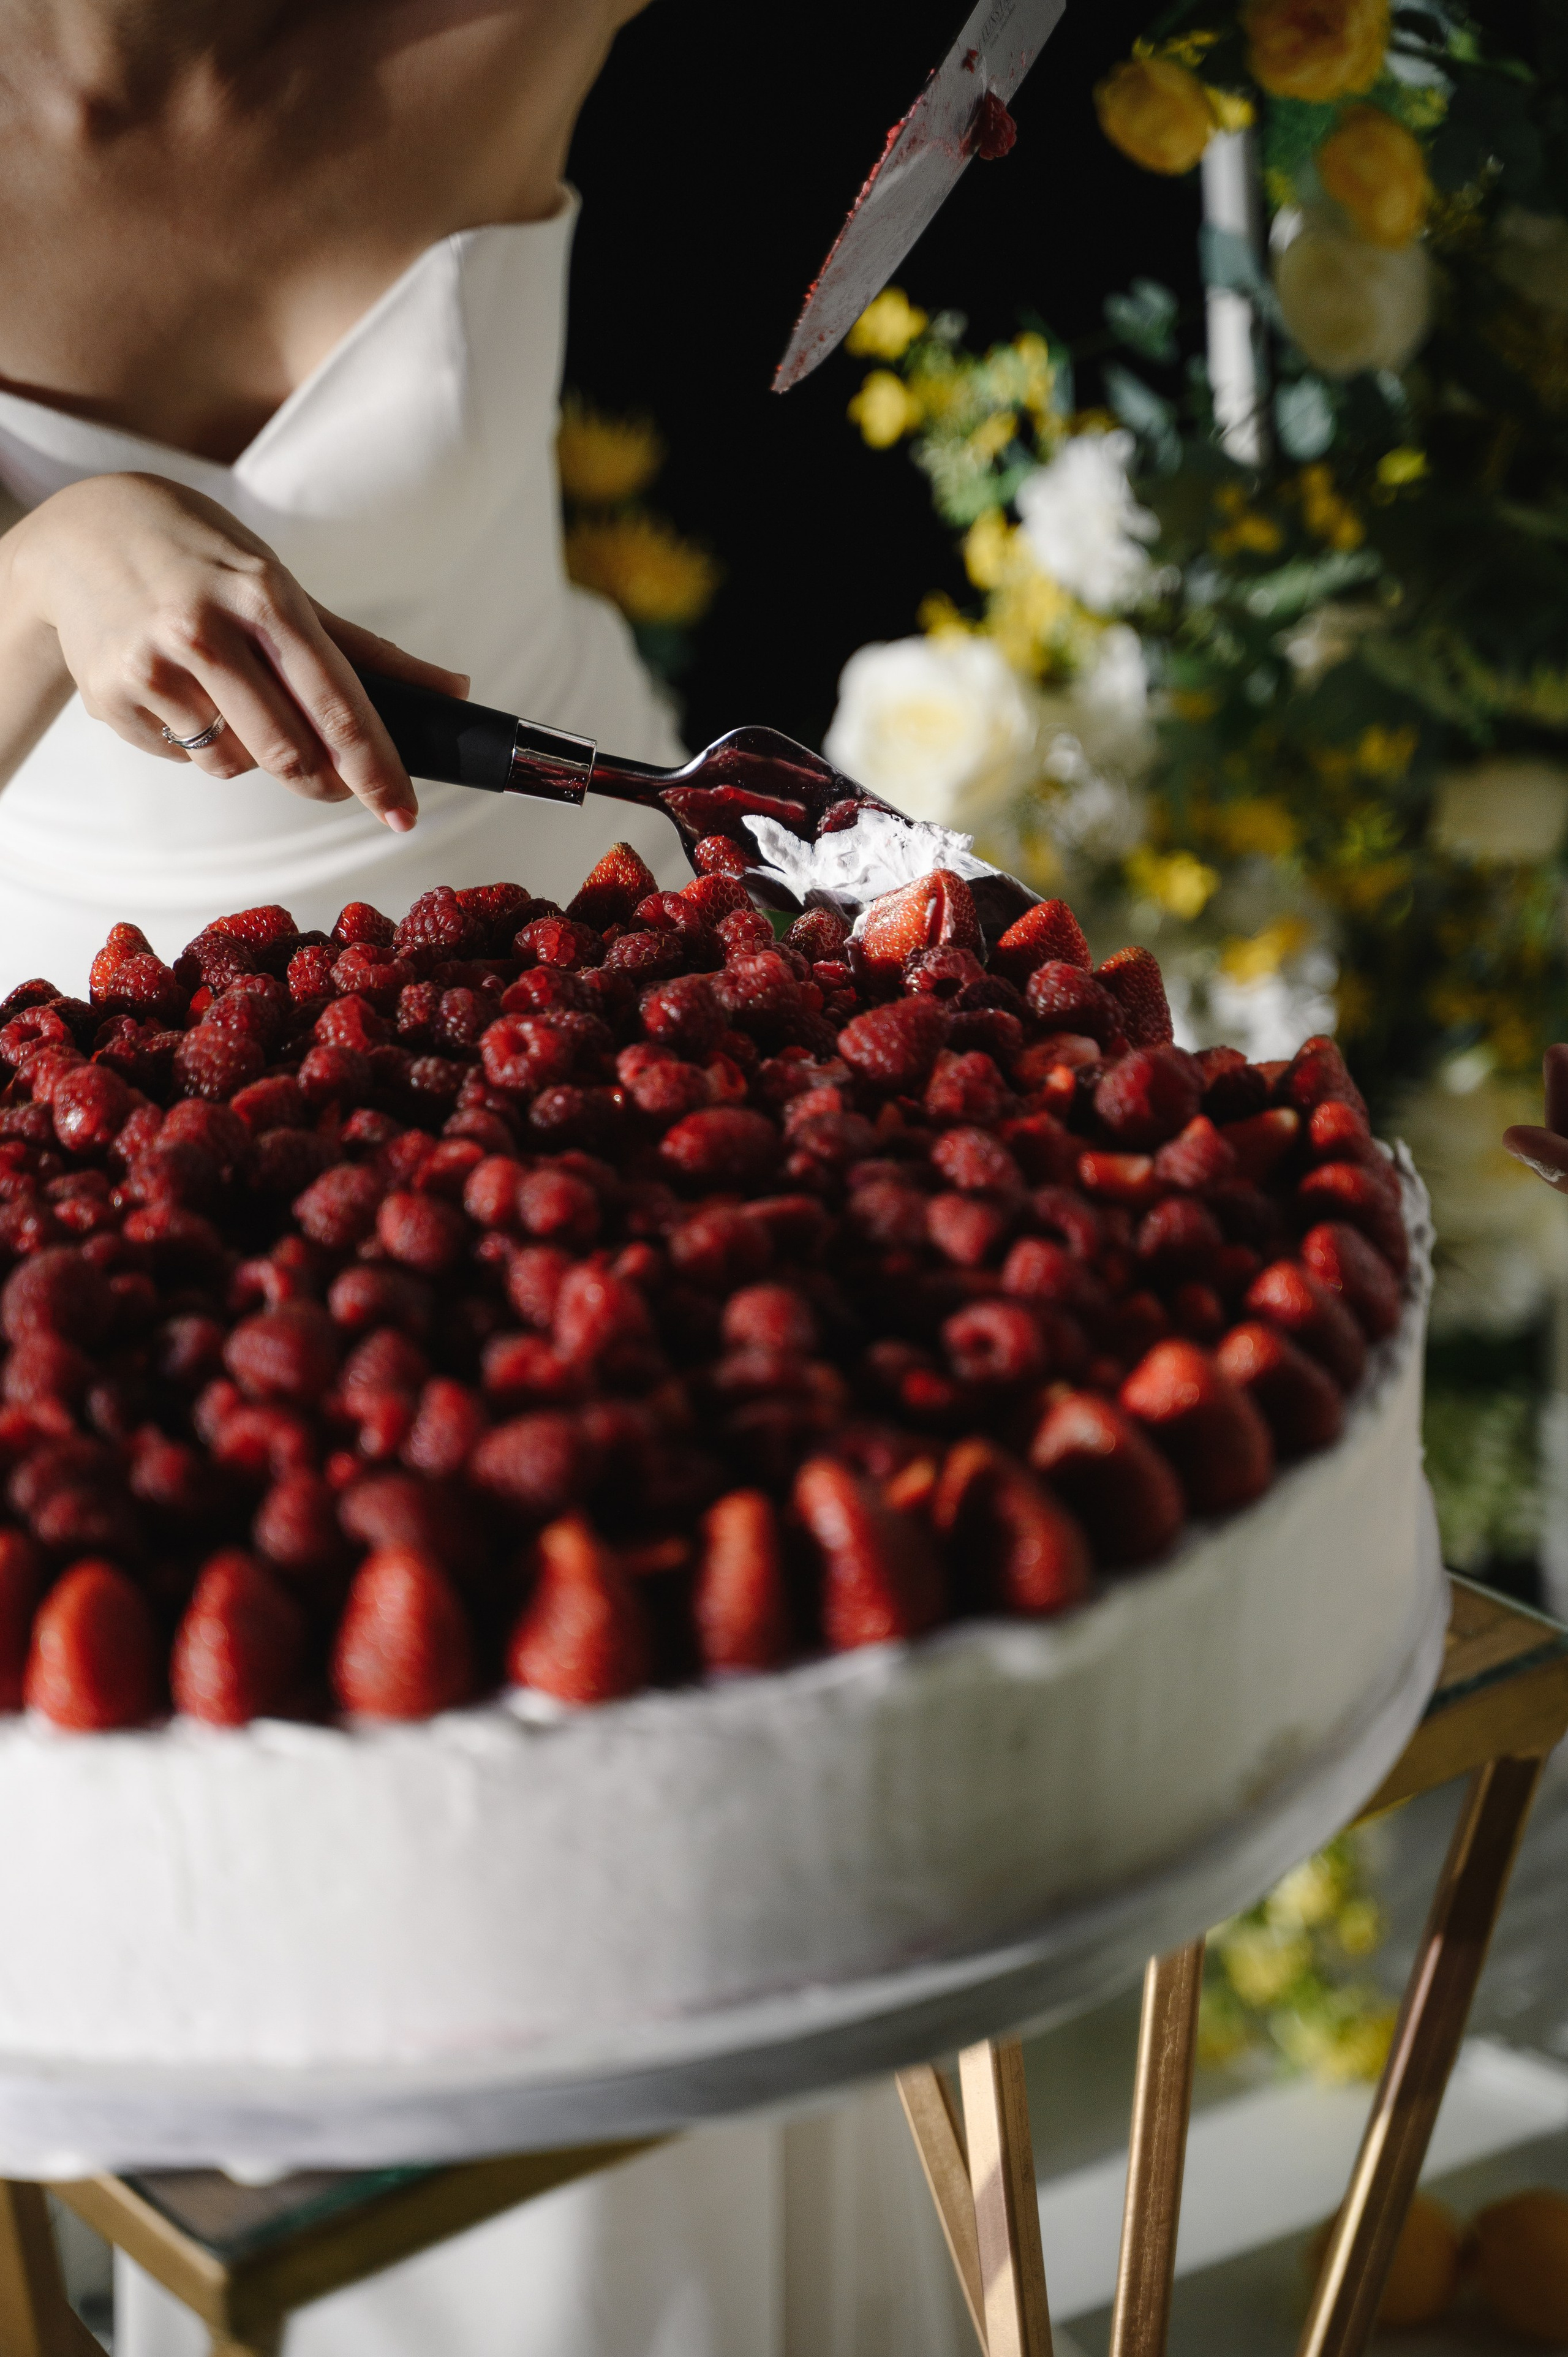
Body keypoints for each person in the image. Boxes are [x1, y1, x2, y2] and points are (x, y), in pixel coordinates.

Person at [0, 7, 976, 2350]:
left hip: (608, 1043)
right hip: (124, 1123)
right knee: (316, 1900)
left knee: (691, 1784)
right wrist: (48, 569)